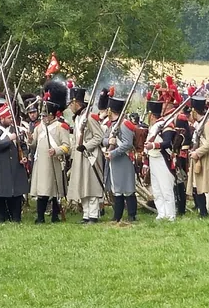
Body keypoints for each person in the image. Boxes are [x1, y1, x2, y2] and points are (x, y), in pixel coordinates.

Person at [28, 80, 71, 223]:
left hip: (54, 162)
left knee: (54, 191)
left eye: (46, 115)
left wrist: (56, 150)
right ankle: (40, 217)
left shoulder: (61, 127)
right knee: (42, 192)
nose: (43, 117)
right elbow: (33, 144)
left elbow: (66, 146)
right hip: (41, 164)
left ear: (52, 115)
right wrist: (29, 139)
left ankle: (55, 216)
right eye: (43, 115)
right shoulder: (39, 127)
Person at [67, 86, 106, 224]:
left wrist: (86, 146)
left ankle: (93, 215)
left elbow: (99, 136)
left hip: (91, 155)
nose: (70, 107)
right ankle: (86, 214)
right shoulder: (78, 119)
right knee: (81, 185)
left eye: (72, 104)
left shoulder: (89, 117)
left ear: (77, 103)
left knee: (92, 185)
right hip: (79, 155)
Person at [0, 103, 29, 223]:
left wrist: (24, 156)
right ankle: (2, 217)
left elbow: (23, 145)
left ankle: (16, 217)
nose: (11, 120)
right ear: (2, 118)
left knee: (16, 193)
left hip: (15, 164)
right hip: (0, 165)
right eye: (9, 118)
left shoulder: (15, 128)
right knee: (0, 193)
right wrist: (9, 139)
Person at [103, 93, 138, 222]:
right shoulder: (112, 124)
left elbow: (127, 144)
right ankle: (117, 216)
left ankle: (132, 215)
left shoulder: (124, 124)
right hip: (114, 160)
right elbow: (104, 139)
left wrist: (113, 153)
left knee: (128, 188)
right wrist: (109, 143)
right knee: (116, 189)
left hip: (124, 160)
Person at [186, 96, 209, 217]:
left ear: (195, 111)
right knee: (198, 186)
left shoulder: (207, 124)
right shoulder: (199, 124)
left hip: (208, 158)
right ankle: (203, 213)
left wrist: (197, 152)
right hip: (199, 158)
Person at [143, 100, 177, 221]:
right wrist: (146, 163)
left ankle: (170, 214)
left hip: (163, 159)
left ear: (151, 115)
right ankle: (161, 213)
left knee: (166, 188)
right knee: (157, 189)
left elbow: (167, 143)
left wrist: (153, 145)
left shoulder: (166, 124)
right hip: (153, 159)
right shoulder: (154, 126)